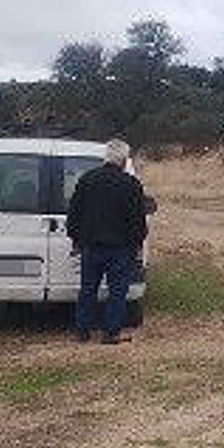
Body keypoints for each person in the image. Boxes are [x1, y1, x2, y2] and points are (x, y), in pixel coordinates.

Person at [67, 139, 148, 344]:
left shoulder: (87, 179)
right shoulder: (131, 185)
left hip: (91, 247)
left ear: (106, 157)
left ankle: (82, 331)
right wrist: (138, 242)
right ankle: (110, 333)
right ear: (123, 159)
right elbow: (138, 220)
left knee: (87, 290)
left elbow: (74, 213)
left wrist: (76, 239)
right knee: (117, 292)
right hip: (120, 249)